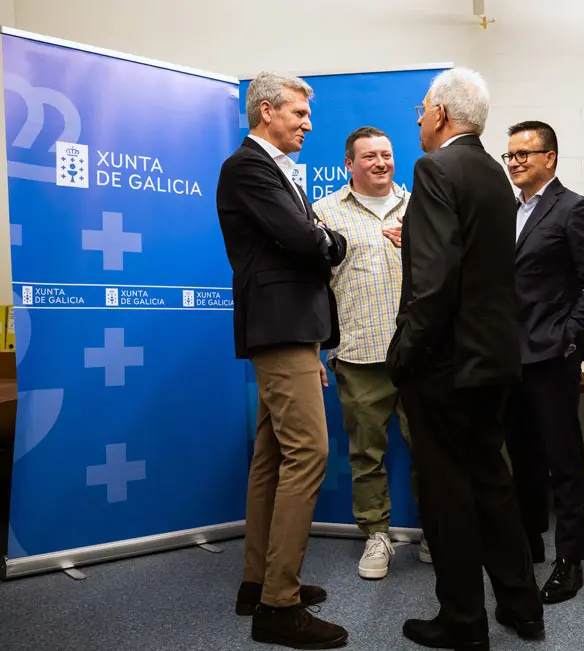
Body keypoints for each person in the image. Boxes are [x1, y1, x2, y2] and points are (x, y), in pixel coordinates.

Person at [387, 67, 544, 650]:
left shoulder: (434, 168)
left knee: (448, 497)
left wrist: (403, 356)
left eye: (424, 107)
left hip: (444, 365)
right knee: (491, 482)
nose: (419, 117)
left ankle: (462, 621)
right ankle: (522, 607)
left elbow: (434, 284)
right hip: (494, 359)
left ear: (444, 115)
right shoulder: (492, 175)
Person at [216, 71, 348, 648]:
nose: (308, 124)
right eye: (298, 113)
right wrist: (322, 235)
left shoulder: (272, 170)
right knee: (309, 454)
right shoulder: (248, 166)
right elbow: (305, 240)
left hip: (293, 331)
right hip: (280, 327)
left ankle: (257, 583)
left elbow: (315, 239)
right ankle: (279, 604)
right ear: (266, 110)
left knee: (271, 457)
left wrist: (321, 236)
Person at [312, 126, 430, 581]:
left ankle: (435, 532)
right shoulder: (324, 212)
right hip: (360, 355)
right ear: (349, 164)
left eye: (386, 154)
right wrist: (320, 347)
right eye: (369, 157)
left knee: (431, 451)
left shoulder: (423, 205)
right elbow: (313, 288)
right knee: (366, 455)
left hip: (421, 356)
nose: (380, 163)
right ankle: (376, 534)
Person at [501, 120, 584, 604]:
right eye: (510, 155)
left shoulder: (573, 209)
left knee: (563, 461)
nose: (516, 161)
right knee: (521, 457)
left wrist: (569, 337)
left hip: (552, 356)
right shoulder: (506, 212)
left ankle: (571, 559)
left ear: (551, 158)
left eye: (526, 153)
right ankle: (530, 541)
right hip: (507, 357)